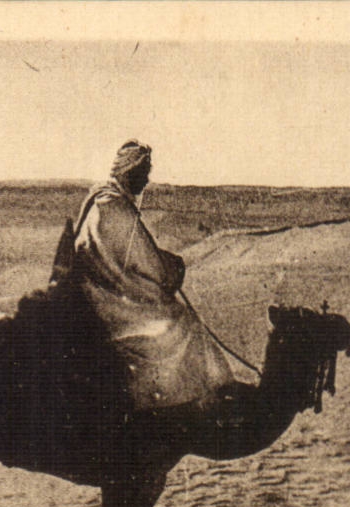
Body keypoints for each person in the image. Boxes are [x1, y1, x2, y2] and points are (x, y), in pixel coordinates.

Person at [58, 141, 233, 411]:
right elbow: (149, 266)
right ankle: (180, 403)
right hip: (105, 302)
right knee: (179, 323)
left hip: (104, 294)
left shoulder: (105, 201)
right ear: (130, 171)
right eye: (144, 171)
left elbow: (133, 255)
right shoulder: (113, 207)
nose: (147, 179)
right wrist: (171, 267)